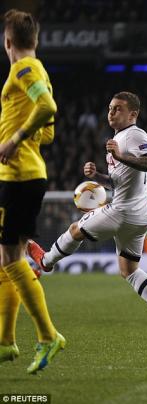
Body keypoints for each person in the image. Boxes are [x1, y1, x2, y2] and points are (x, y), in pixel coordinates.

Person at [27, 92, 147, 348]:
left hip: (122, 212)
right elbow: (118, 181)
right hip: (141, 214)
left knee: (75, 229)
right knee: (129, 271)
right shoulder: (117, 139)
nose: (111, 112)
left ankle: (45, 261)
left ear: (133, 114)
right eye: (110, 108)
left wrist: (120, 156)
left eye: (118, 109)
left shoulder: (134, 135)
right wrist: (98, 176)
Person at [0, 9, 65, 374]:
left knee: (10, 261)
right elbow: (50, 131)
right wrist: (25, 132)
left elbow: (47, 107)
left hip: (18, 177)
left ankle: (47, 336)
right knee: (6, 261)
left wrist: (14, 138)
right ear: (36, 40)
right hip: (25, 174)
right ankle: (6, 342)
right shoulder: (39, 72)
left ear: (7, 41)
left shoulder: (23, 69)